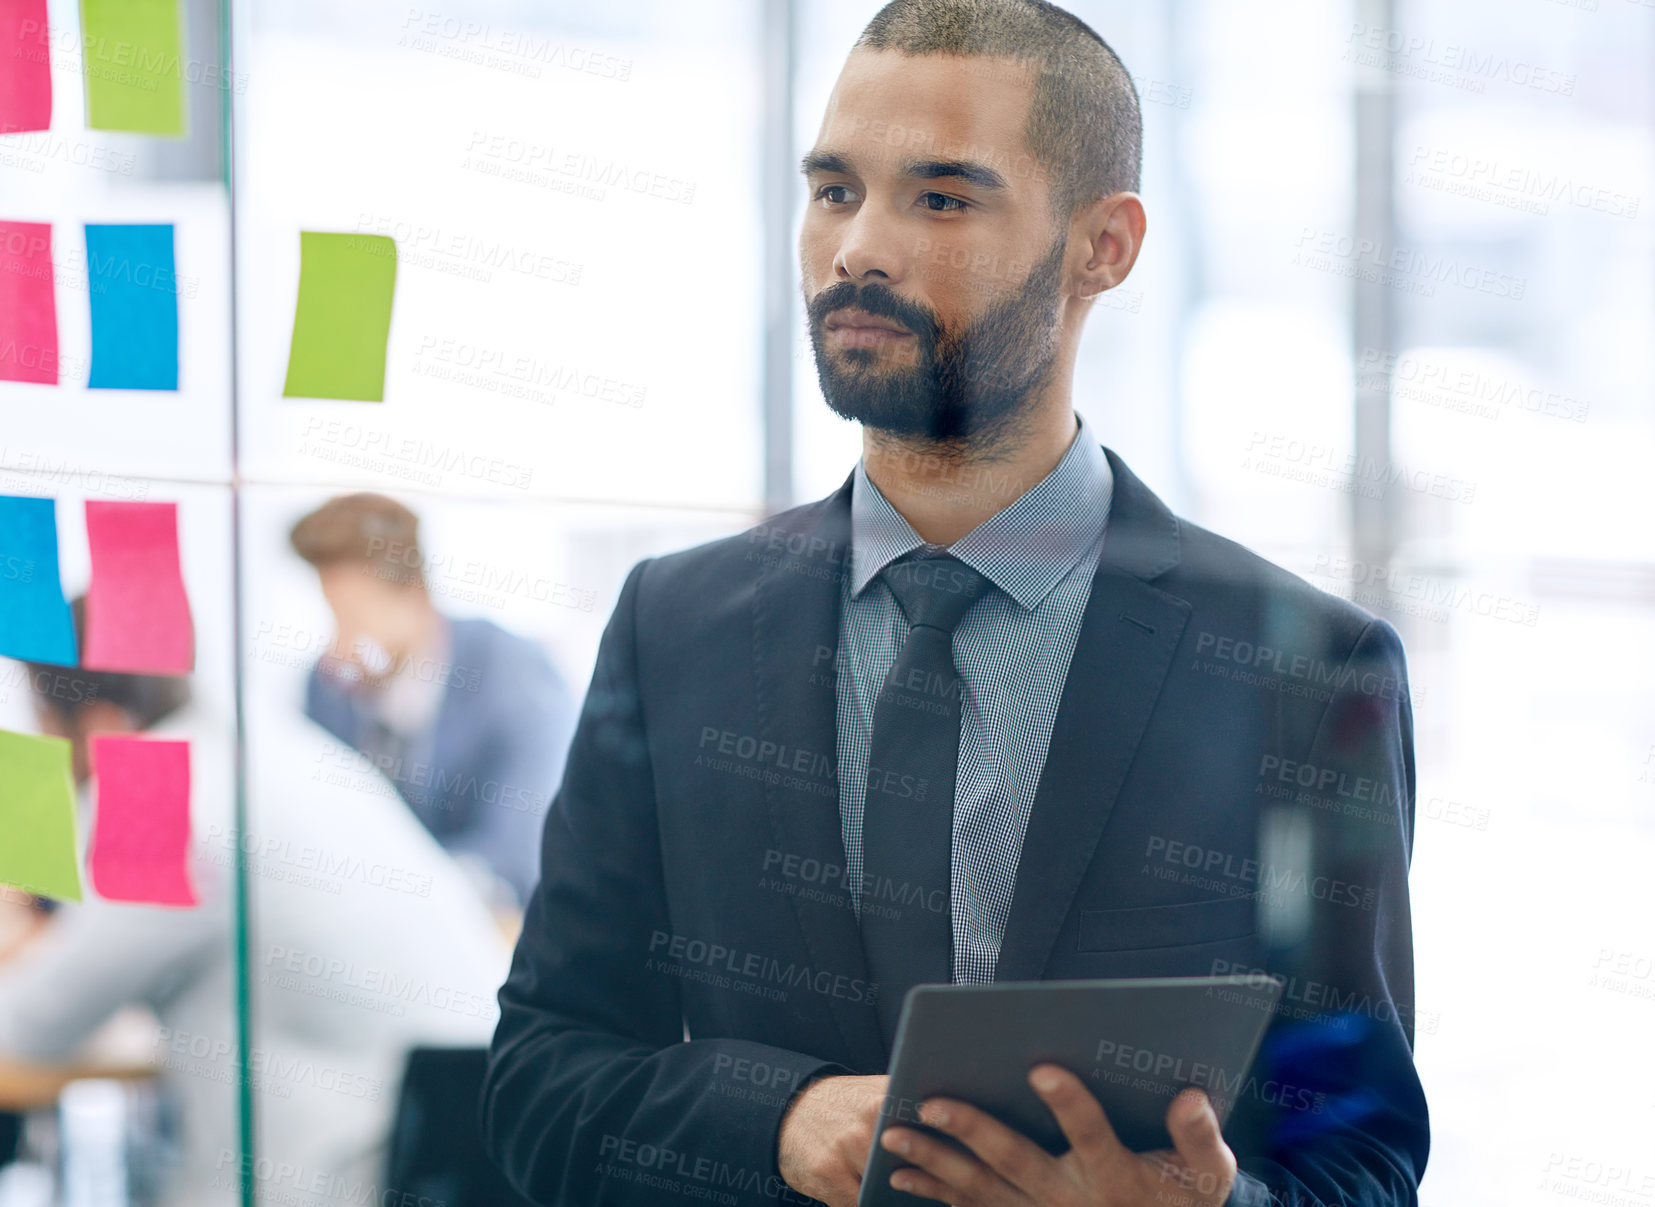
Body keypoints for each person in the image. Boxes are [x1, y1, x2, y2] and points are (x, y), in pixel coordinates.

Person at [481, 2, 1429, 1205]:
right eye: (833, 190)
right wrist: (780, 1119)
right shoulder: (677, 628)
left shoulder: (1302, 669)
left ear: (1103, 246)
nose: (858, 249)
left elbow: (1362, 1157)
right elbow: (540, 1082)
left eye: (940, 199)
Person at [0, 618, 513, 1207]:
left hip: (345, 1166)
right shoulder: (270, 747)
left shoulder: (157, 797)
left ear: (93, 724)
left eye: (39, 721)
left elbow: (34, 1025)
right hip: (462, 1142)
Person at [288, 492, 577, 912]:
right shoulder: (326, 686)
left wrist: (382, 899)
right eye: (331, 618)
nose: (339, 650)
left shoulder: (513, 675)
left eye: (353, 618)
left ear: (415, 595)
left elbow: (514, 860)